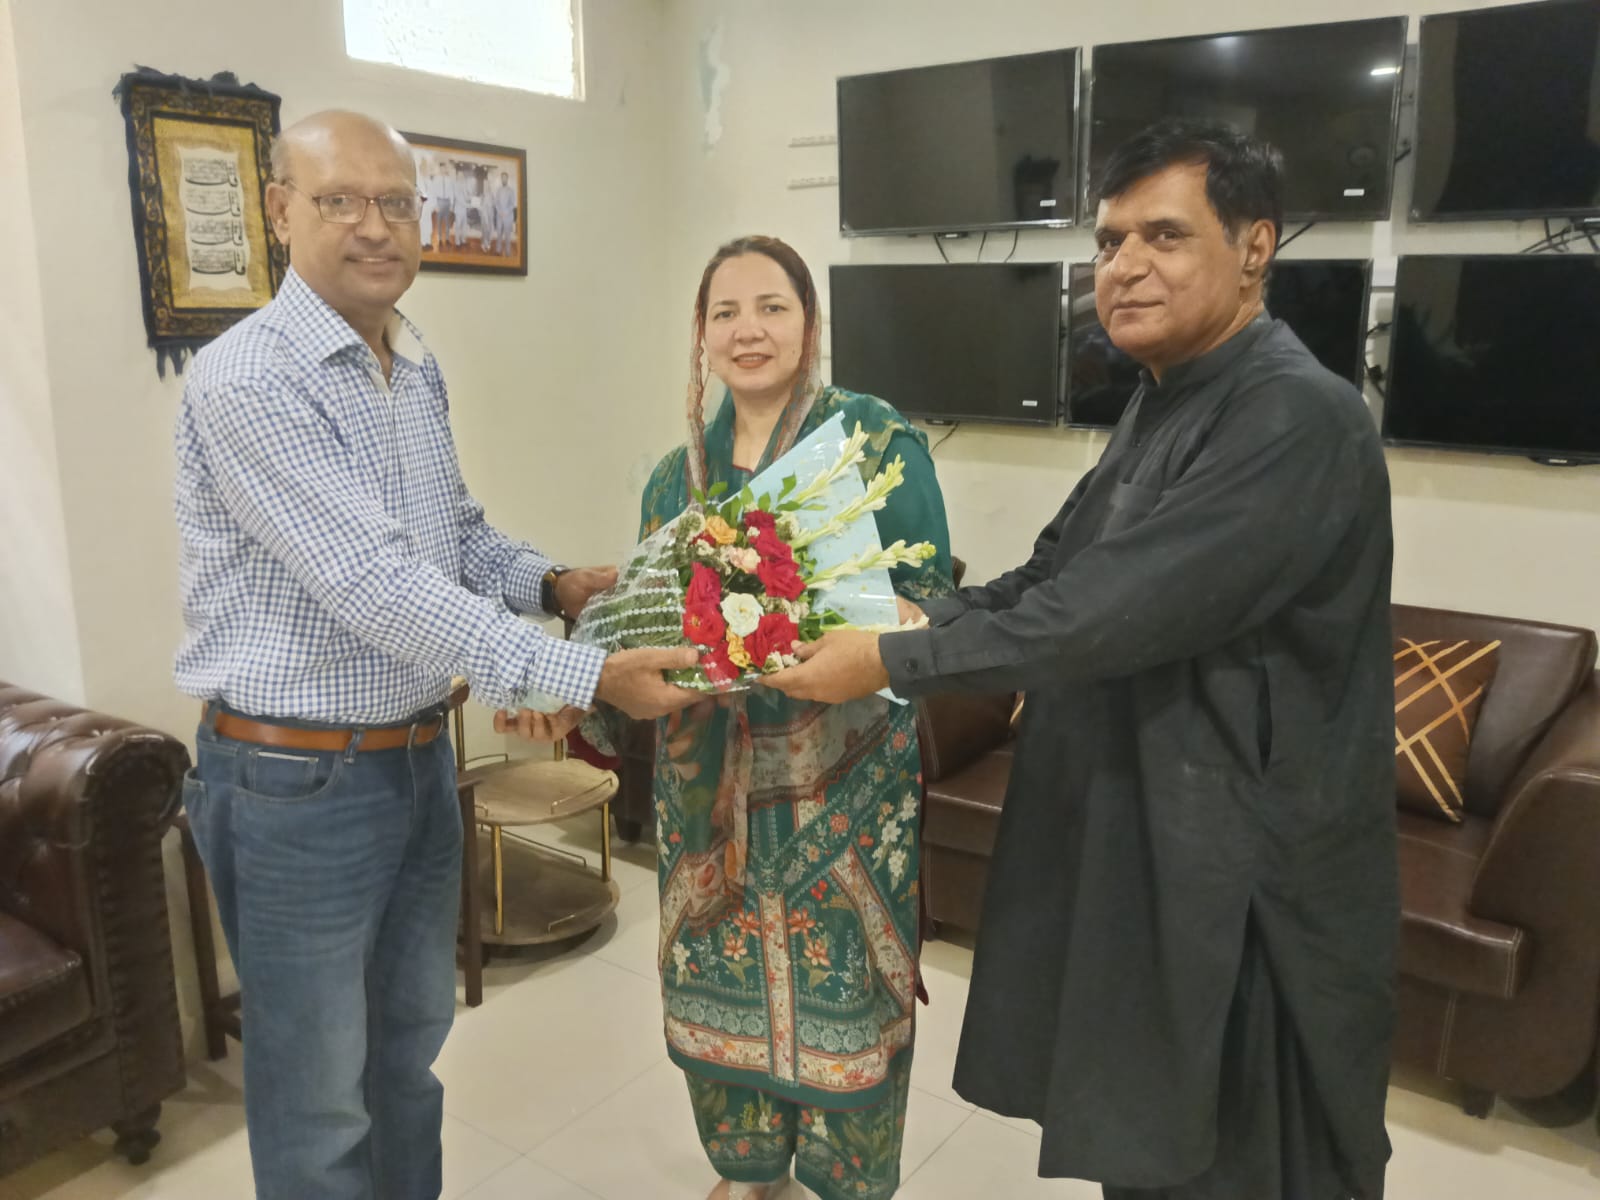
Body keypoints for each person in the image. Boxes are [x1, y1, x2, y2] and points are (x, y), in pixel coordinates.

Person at [766, 119, 1398, 1200]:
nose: (1124, 266)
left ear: (1255, 247)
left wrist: (889, 660)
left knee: (1243, 1160)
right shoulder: (1163, 399)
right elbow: (1051, 574)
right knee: (1146, 1146)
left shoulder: (1300, 416)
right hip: (1143, 856)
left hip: (1244, 894)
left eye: (1164, 235)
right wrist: (910, 614)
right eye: (1109, 242)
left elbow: (1102, 616)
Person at [173, 109, 697, 1200]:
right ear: (280, 212)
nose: (375, 226)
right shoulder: (248, 378)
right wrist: (586, 676)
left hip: (414, 763)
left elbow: (450, 535)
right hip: (294, 785)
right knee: (319, 1101)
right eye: (341, 201)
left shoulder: (410, 364)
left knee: (408, 1063)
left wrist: (556, 585)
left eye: (397, 203)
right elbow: (372, 581)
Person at [632, 235, 953, 1200]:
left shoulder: (873, 443)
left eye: (772, 307)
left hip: (843, 791)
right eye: (725, 312)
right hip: (707, 799)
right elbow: (651, 622)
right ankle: (750, 1173)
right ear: (700, 333)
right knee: (715, 978)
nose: (749, 331)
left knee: (843, 997)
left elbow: (933, 601)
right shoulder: (673, 478)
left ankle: (844, 1180)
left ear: (809, 324)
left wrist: (865, 632)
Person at [489, 169, 517, 256]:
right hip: (499, 216)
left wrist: (505, 212)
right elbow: (496, 202)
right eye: (502, 178)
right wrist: (499, 211)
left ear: (507, 179)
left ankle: (508, 252)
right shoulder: (498, 190)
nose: (503, 179)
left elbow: (512, 204)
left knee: (507, 235)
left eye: (505, 178)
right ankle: (498, 250)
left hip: (508, 216)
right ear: (501, 179)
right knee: (499, 234)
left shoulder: (511, 190)